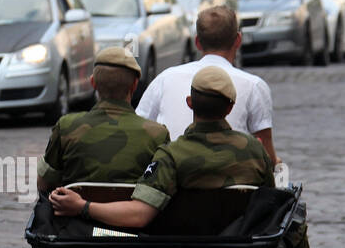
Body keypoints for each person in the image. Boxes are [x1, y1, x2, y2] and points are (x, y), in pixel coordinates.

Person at [49, 66, 274, 229]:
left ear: (190, 103)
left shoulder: (170, 156)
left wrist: (83, 206)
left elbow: (139, 215)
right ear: (230, 108)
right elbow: (270, 207)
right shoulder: (256, 151)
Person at [136, 6, 280, 166]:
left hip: (173, 179)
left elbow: (140, 129)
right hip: (230, 181)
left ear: (197, 42)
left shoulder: (165, 78)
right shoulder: (254, 86)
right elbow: (267, 156)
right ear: (238, 40)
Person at [36, 47, 170, 193]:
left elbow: (44, 184)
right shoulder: (157, 134)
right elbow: (163, 189)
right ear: (134, 85)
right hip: (133, 214)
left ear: (93, 83)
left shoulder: (66, 127)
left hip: (72, 214)